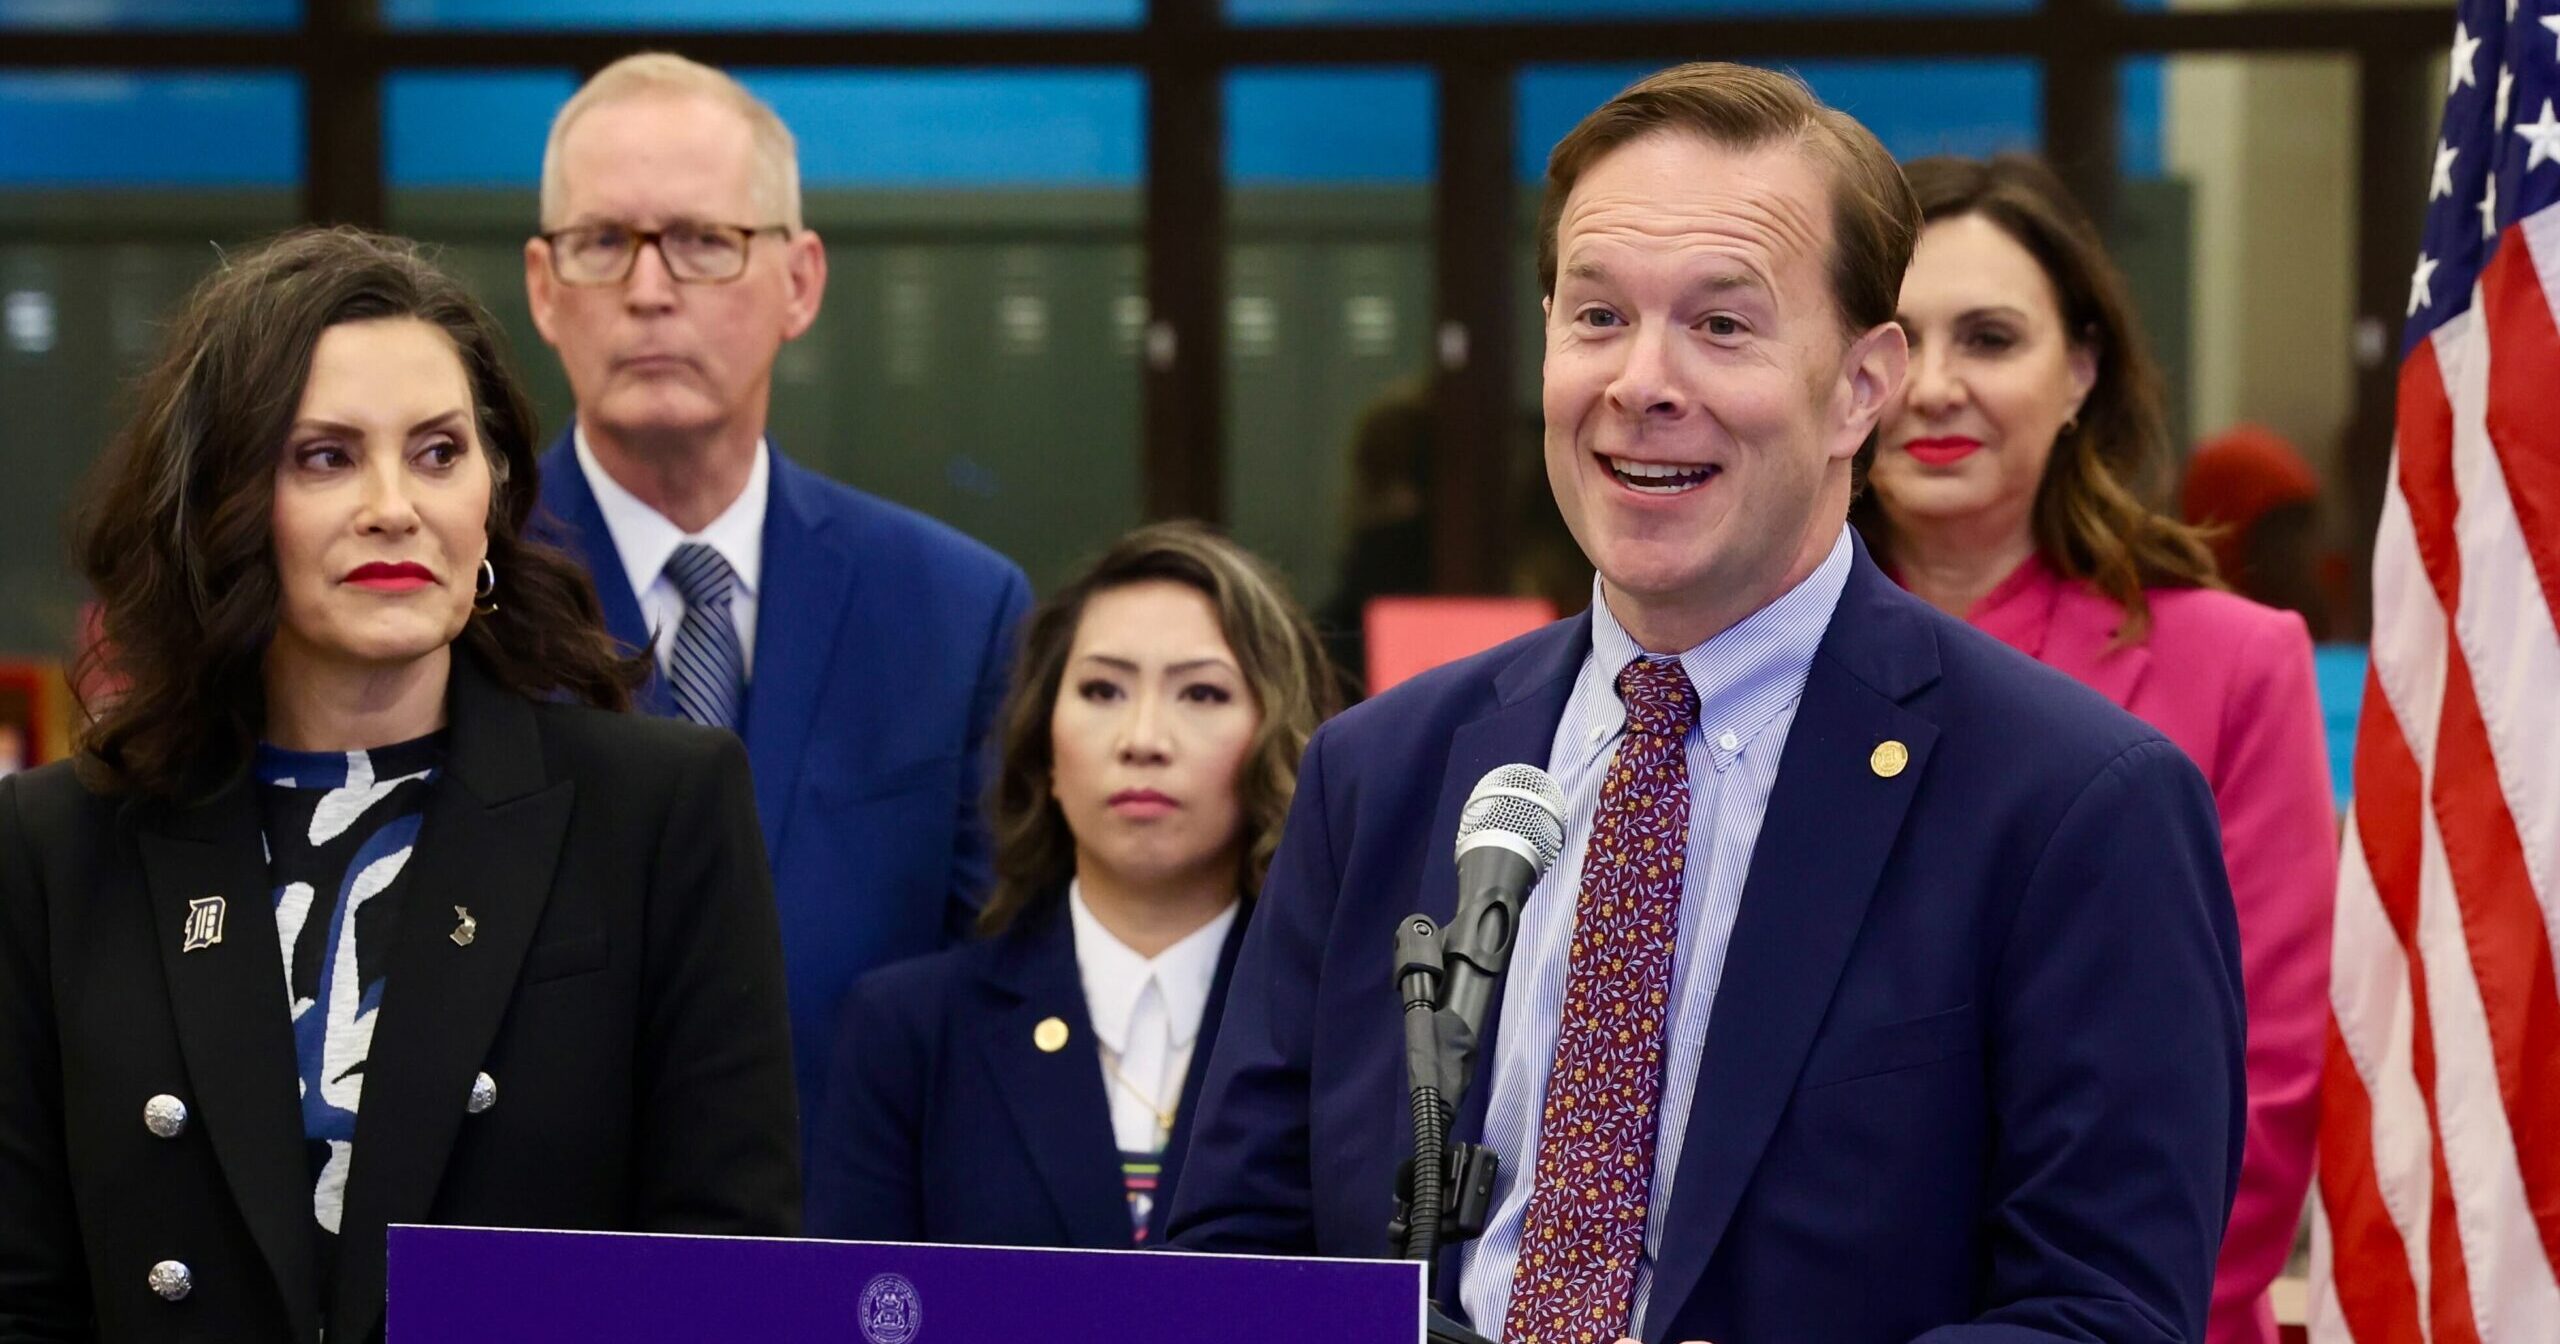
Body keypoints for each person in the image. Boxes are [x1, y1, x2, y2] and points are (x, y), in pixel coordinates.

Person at [1167, 63, 2246, 1344]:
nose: (1641, 382)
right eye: (1596, 317)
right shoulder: (1380, 774)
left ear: (1861, 384)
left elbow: (2104, 1314)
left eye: (1721, 325)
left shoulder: (2074, 805)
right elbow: (1232, 1258)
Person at [0, 228, 798, 1344]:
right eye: (325, 456)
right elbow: (25, 1297)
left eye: (437, 452)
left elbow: (725, 1269)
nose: (393, 506)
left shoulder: (658, 811)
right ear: (227, 503)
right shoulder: (60, 842)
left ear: (493, 490)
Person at [1859, 153, 2335, 1344]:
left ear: (2079, 371)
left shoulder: (2234, 662)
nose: (1935, 388)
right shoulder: (1741, 663)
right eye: (1901, 342)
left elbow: (2266, 1089)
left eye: (1989, 337)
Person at [520, 53, 1035, 1153]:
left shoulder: (954, 612)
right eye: (603, 243)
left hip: (848, 1257)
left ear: (799, 282)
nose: (649, 290)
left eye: (705, 242)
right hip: (532, 1249)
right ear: (542, 287)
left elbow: (988, 994)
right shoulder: (462, 593)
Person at [808, 522, 1336, 1248]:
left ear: (1275, 736)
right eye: (1102, 689)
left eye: (1203, 695)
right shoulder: (910, 1031)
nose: (1143, 737)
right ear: (1043, 743)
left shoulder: (1336, 1033)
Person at [2181, 422, 2339, 640]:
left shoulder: (2196, 480)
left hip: (2267, 495)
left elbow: (2215, 553)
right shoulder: (2204, 466)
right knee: (2294, 575)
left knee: (2283, 579)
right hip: (2286, 483)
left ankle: (2312, 641)